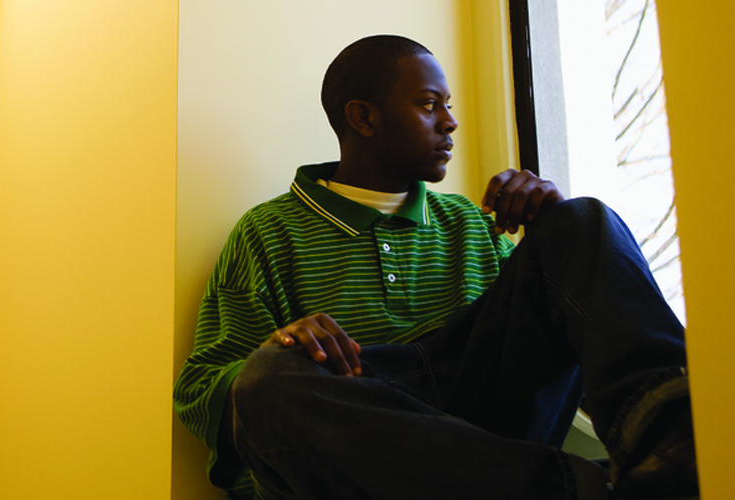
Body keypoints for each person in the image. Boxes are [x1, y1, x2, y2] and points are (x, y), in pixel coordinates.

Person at [174, 34, 696, 500]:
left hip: (480, 415)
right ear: (364, 117)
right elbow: (201, 393)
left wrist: (552, 225)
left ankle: (676, 441)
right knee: (269, 376)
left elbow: (548, 334)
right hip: (370, 443)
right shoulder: (270, 232)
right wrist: (284, 346)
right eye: (429, 105)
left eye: (448, 105)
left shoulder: (472, 222)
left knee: (581, 218)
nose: (449, 122)